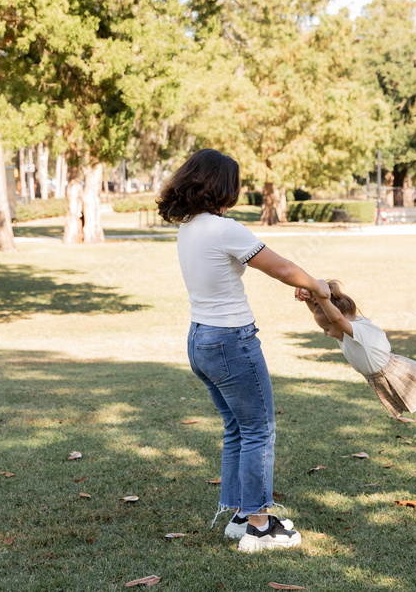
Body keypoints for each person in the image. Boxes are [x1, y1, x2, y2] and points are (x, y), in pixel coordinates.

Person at [157, 148, 328, 553]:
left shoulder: (190, 228)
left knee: (237, 427)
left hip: (200, 339)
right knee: (259, 430)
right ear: (221, 185)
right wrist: (320, 287)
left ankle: (238, 515)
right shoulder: (224, 228)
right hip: (232, 341)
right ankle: (260, 525)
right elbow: (282, 268)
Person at [296, 280, 416, 449]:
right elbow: (325, 315)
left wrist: (318, 291)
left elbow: (335, 318)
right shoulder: (346, 327)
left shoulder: (357, 331)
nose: (325, 333)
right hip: (381, 376)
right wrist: (308, 299)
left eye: (327, 329)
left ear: (338, 320)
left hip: (392, 372)